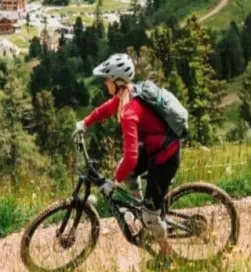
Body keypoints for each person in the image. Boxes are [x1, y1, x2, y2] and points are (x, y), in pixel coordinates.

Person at [76, 53, 180, 261]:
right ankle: (141, 204)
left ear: (118, 82)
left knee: (150, 216)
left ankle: (166, 256)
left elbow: (131, 156)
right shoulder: (127, 95)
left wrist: (114, 183)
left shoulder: (129, 112)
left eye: (108, 80)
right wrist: (84, 123)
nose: (105, 83)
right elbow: (105, 109)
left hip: (164, 157)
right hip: (154, 148)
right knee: (126, 169)